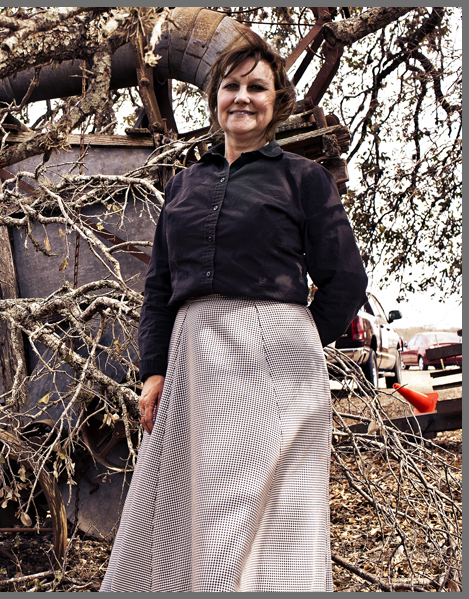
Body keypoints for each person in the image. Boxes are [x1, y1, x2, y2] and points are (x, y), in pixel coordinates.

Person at [100, 29, 368, 592]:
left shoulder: (303, 180)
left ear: (277, 103)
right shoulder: (184, 187)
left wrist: (293, 339)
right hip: (194, 367)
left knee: (267, 520)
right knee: (187, 513)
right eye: (231, 86)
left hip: (275, 368)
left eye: (257, 87)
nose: (242, 97)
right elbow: (160, 289)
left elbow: (345, 279)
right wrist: (153, 372)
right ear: (215, 98)